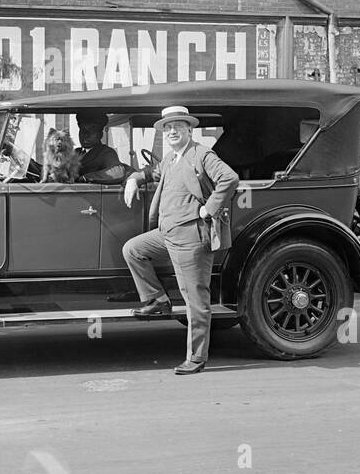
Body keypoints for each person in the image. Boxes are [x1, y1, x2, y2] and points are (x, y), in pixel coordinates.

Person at [121, 105, 238, 375]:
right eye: (168, 128)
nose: (172, 131)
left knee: (195, 299)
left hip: (191, 237)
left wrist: (209, 208)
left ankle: (196, 358)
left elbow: (229, 178)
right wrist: (134, 178)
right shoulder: (172, 158)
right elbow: (154, 172)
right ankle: (158, 300)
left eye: (178, 126)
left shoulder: (200, 154)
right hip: (167, 233)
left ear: (189, 129)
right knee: (133, 250)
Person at [74, 112, 127, 183]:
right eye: (83, 130)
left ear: (100, 135)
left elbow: (118, 172)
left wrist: (85, 178)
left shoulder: (106, 153)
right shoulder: (76, 152)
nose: (85, 135)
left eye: (91, 131)